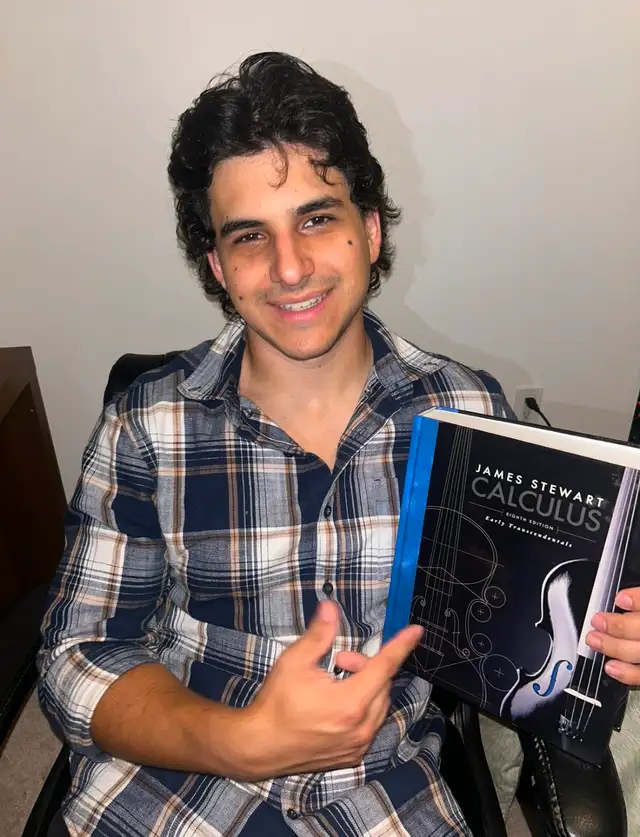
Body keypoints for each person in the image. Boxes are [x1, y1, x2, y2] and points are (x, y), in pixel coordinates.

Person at [38, 51, 640, 837]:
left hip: (381, 795)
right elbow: (77, 659)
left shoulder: (468, 414)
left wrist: (609, 639)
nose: (290, 268)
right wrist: (241, 739)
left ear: (371, 228)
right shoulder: (147, 426)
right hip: (171, 792)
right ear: (219, 265)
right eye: (250, 236)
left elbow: (525, 637)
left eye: (317, 219)